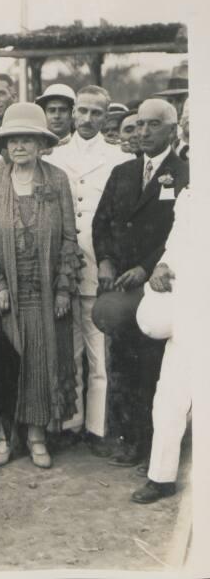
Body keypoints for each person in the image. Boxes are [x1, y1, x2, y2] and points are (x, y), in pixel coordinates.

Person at [0, 102, 81, 469]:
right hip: (5, 295)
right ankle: (6, 437)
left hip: (44, 292)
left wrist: (65, 288)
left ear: (41, 144)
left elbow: (69, 238)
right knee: (4, 361)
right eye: (13, 140)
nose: (19, 147)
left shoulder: (56, 180)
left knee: (39, 361)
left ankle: (37, 437)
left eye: (27, 140)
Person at [93, 98, 189, 471]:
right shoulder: (122, 173)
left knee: (154, 364)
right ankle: (128, 438)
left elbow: (180, 233)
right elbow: (101, 222)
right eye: (139, 125)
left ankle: (157, 444)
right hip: (120, 282)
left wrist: (146, 268)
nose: (144, 132)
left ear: (171, 130)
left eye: (153, 125)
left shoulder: (185, 173)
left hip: (160, 285)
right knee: (121, 360)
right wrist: (105, 261)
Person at [46, 85, 129, 456]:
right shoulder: (56, 156)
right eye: (82, 111)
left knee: (98, 352)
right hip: (64, 265)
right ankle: (71, 422)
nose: (87, 119)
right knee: (69, 348)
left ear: (106, 116)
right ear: (73, 112)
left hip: (98, 265)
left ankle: (96, 427)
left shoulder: (117, 158)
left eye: (97, 113)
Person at [131, 187, 192, 504]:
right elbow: (176, 242)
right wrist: (162, 266)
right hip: (187, 305)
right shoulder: (192, 194)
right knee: (169, 395)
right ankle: (162, 477)